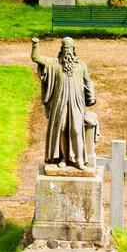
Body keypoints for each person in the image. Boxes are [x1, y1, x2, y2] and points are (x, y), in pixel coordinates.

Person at [31, 37, 96, 171]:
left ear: (73, 49)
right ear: (61, 49)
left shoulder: (81, 65)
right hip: (61, 102)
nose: (67, 50)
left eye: (69, 48)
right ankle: (64, 158)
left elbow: (88, 81)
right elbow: (36, 58)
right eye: (65, 47)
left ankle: (79, 161)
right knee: (62, 129)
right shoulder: (55, 64)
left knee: (77, 130)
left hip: (76, 102)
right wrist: (35, 44)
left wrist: (91, 97)